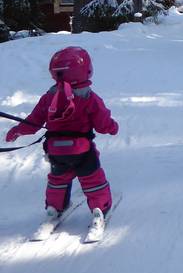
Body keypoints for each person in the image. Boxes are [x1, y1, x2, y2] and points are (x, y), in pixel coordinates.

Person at [4, 47, 118, 234]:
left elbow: (33, 122)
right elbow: (103, 124)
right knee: (92, 179)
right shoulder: (89, 97)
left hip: (56, 152)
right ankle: (100, 208)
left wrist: (17, 131)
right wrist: (113, 127)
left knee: (57, 180)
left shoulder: (49, 97)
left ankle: (54, 208)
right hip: (82, 151)